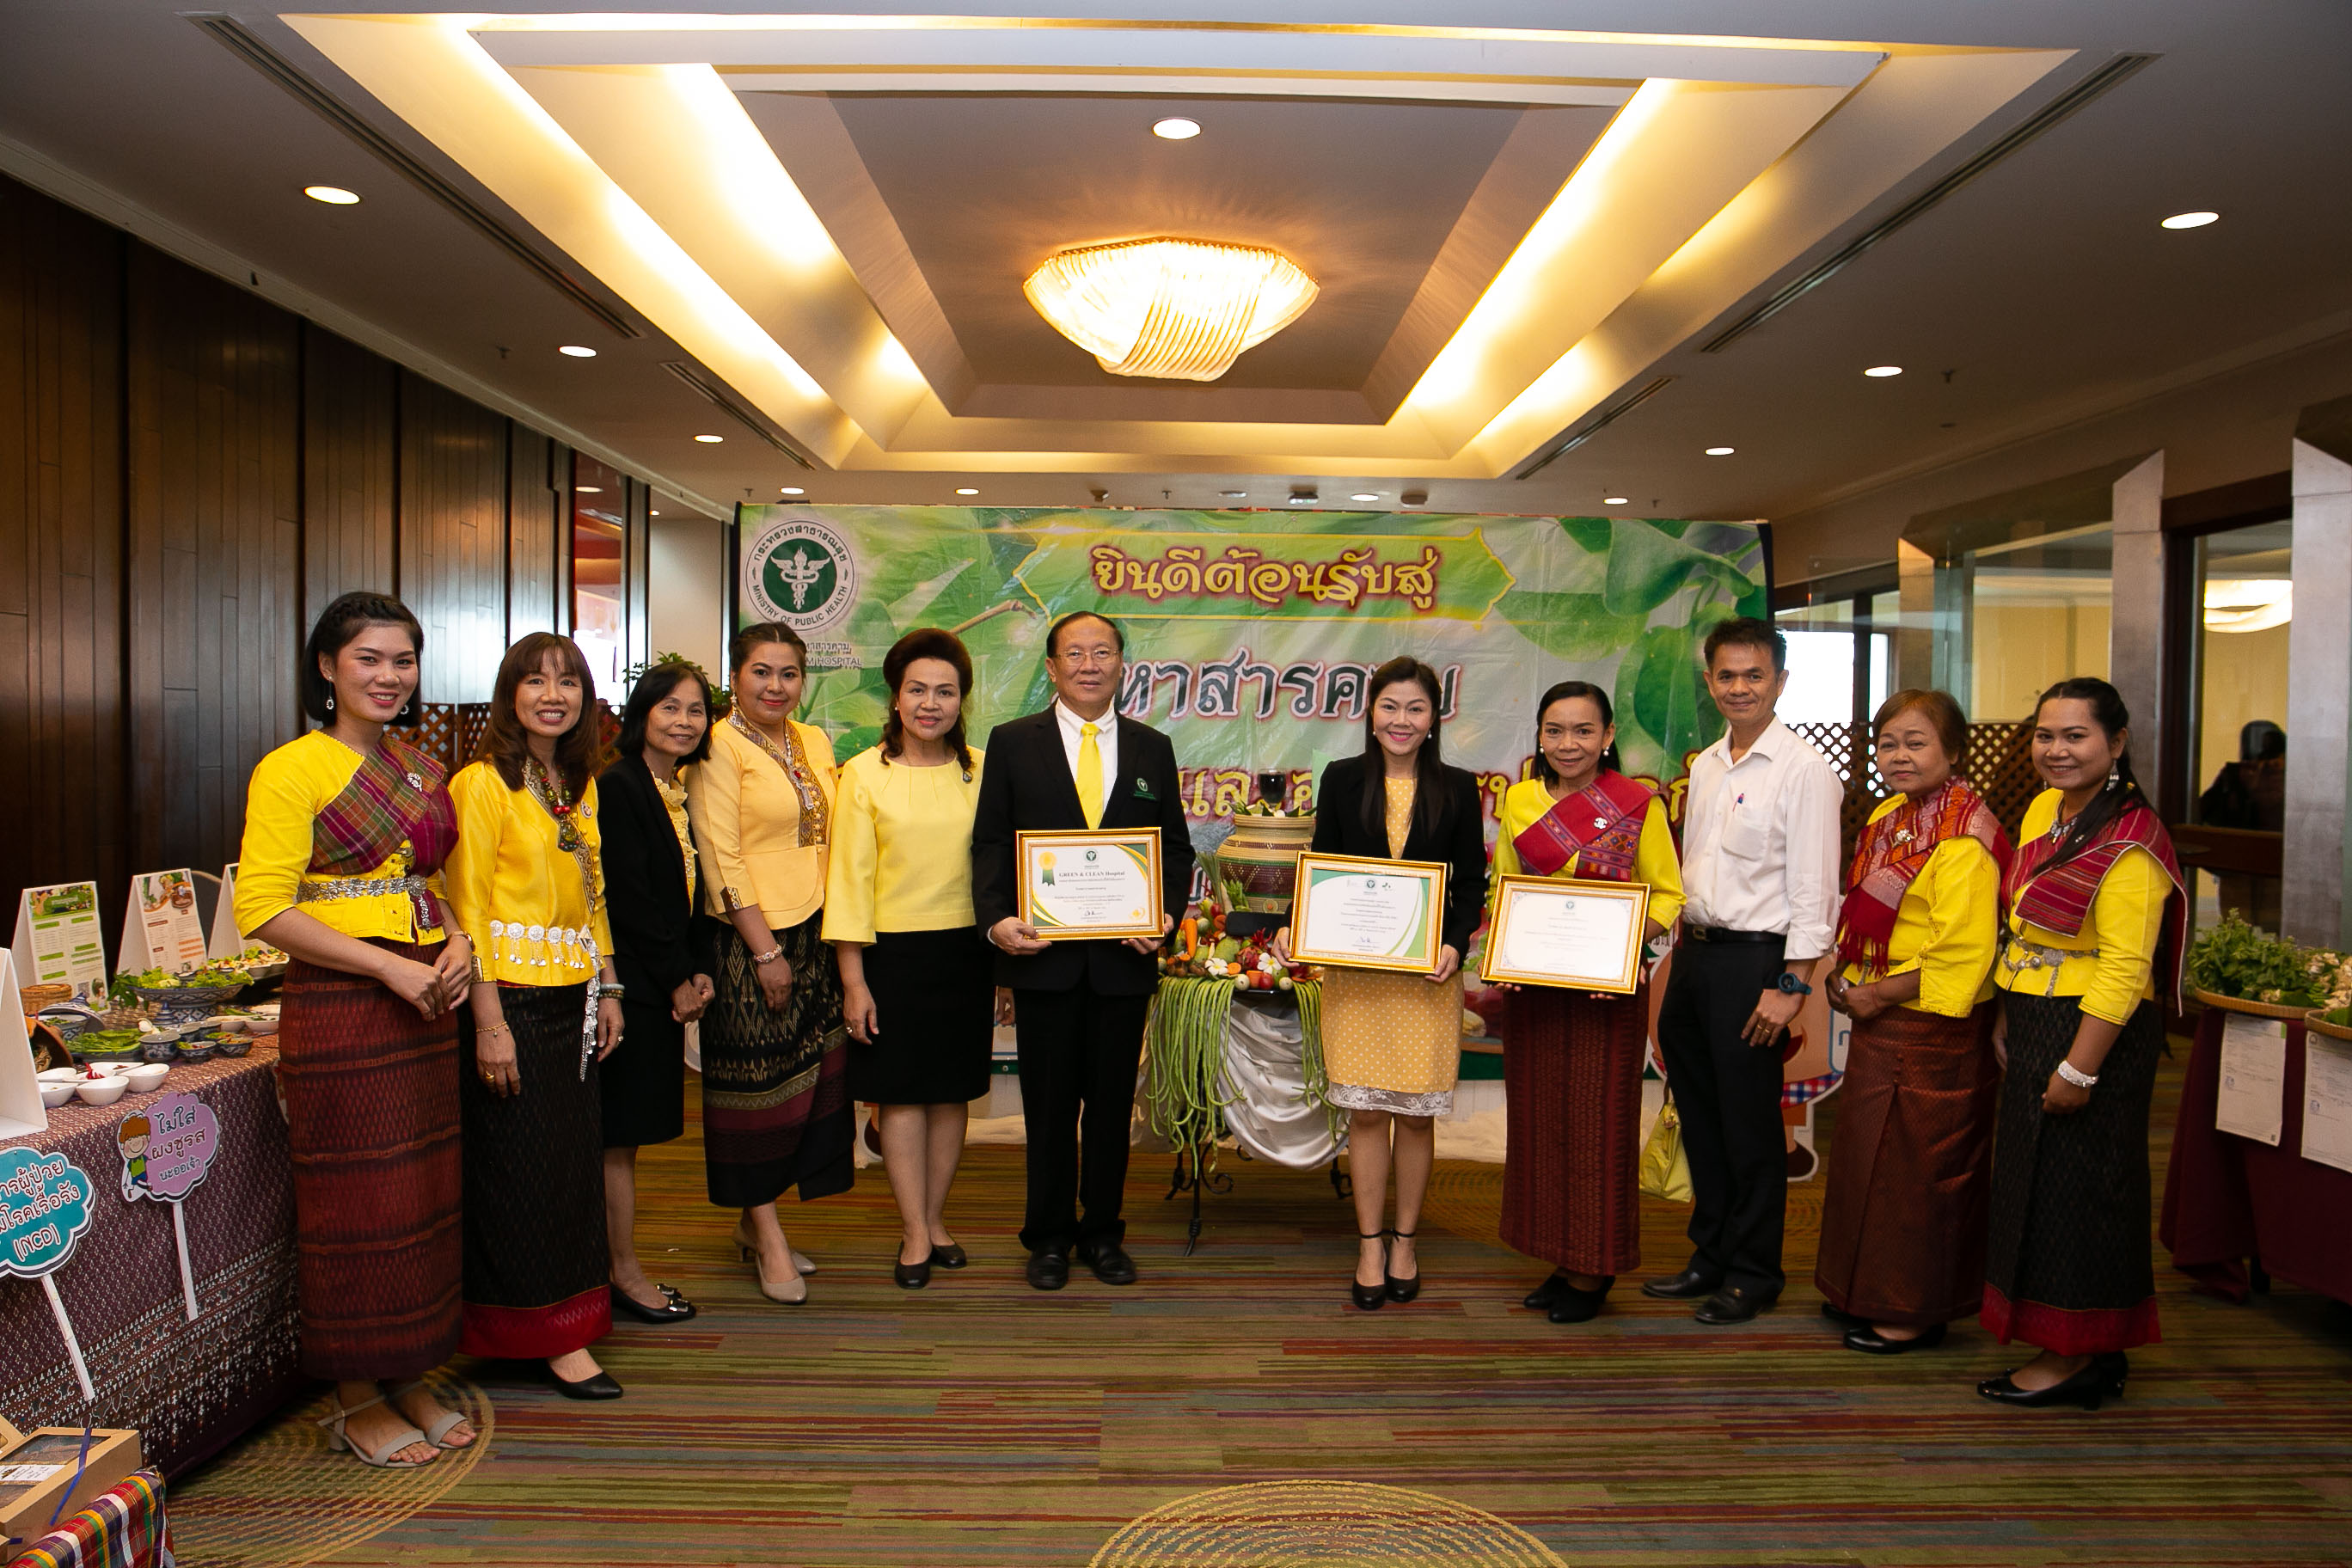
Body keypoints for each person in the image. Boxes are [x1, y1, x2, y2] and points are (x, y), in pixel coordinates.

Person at [236, 591, 476, 1467]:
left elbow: (431, 882)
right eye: (369, 658)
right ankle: (352, 1396)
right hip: (345, 1008)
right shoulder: (292, 768)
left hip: (424, 1003)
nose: (388, 676)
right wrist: (387, 965)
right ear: (329, 666)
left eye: (403, 660)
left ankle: (409, 1372)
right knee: (356, 1209)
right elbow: (260, 910)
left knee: (422, 1198)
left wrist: (456, 943)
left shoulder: (420, 766)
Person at [1978, 677, 2184, 1411]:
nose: (2056, 751)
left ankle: (2084, 1357)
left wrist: (2078, 1067)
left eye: (2075, 736)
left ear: (2116, 744)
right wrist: (2008, 1009)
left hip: (2094, 1035)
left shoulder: (2131, 842)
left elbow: (2127, 971)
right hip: (2035, 1018)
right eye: (2045, 735)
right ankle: (2058, 1340)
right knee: (2033, 1187)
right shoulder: (2046, 810)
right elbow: (2027, 928)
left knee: (2084, 1194)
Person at [971, 611, 1193, 1291]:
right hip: (1045, 962)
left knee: (1108, 1106)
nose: (1089, 664)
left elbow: (1176, 849)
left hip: (1123, 962)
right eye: (1075, 653)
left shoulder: (1153, 747)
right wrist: (996, 921)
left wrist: (1163, 915)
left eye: (1102, 652)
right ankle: (1046, 1237)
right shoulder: (1011, 743)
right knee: (1047, 1105)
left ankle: (1102, 1232)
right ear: (1051, 666)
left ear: (1123, 663)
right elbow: (989, 842)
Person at [1644, 617, 1841, 1325]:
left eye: (1754, 675)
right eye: (1726, 675)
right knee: (1698, 1116)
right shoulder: (1705, 765)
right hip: (1695, 958)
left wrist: (1791, 988)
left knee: (1751, 1128)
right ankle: (1711, 1254)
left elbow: (1817, 892)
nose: (1739, 687)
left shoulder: (1804, 770)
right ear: (1709, 683)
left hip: (1759, 964)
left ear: (1780, 682)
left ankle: (1755, 1272)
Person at [444, 632, 625, 1399]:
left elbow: (594, 894)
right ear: (509, 694)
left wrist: (609, 984)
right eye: (536, 681)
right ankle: (534, 1334)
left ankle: (572, 1322)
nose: (554, 695)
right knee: (516, 1170)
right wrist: (489, 1023)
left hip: (576, 996)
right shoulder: (482, 783)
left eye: (569, 682)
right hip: (510, 1000)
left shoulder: (575, 783)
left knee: (568, 1167)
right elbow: (467, 911)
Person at [1277, 657, 1487, 1311]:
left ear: (1434, 720)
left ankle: (1405, 1241)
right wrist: (1296, 927)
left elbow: (1472, 881)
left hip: (1427, 974)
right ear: (1371, 713)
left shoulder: (1457, 786)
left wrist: (1454, 942)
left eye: (1416, 709)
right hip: (1358, 971)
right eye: (1390, 707)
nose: (1402, 720)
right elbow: (1324, 867)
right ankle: (1369, 1244)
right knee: (1365, 1111)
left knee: (1415, 1117)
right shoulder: (1342, 780)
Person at [1818, 690, 2011, 1355]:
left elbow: (1963, 950)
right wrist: (1852, 972)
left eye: (1917, 742)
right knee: (1866, 1162)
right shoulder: (1891, 815)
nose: (1899, 756)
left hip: (1931, 1026)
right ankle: (1858, 1290)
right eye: (1888, 743)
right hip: (1881, 1013)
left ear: (1954, 752)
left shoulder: (1962, 837)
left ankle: (1915, 1309)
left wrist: (1879, 994)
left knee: (1920, 1171)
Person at [1488, 682, 1682, 1325]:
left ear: (1605, 737)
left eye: (1582, 731)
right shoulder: (1519, 801)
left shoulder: (1638, 805)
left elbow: (1668, 896)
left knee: (1598, 1127)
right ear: (1539, 737)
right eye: (1554, 731)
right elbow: (1506, 888)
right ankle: (1558, 1253)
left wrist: (1623, 951)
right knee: (1542, 1125)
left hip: (1605, 990)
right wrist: (1504, 954)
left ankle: (1593, 1269)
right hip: (1538, 993)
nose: (1567, 743)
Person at [688, 622, 852, 1305]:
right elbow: (719, 854)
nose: (775, 686)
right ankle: (767, 1235)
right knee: (752, 1091)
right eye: (761, 672)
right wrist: (763, 951)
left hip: (816, 927)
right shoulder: (716, 746)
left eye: (788, 674)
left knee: (804, 1081)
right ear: (735, 677)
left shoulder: (813, 740)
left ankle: (758, 1227)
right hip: (750, 939)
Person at [824, 629, 990, 1289]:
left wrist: (1004, 967)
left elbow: (1000, 872)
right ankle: (914, 1230)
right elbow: (848, 879)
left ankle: (937, 1216)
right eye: (917, 690)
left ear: (962, 700)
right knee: (899, 1098)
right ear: (895, 699)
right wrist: (853, 980)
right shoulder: (864, 773)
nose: (931, 704)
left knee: (953, 1095)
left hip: (967, 951)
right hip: (889, 955)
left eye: (944, 692)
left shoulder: (982, 769)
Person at [595, 661, 718, 1326]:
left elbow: (687, 892)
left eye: (695, 711)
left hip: (660, 983)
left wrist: (697, 966)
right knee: (617, 1137)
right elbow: (632, 897)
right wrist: (676, 976)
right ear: (643, 713)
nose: (683, 721)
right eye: (670, 708)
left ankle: (612, 1264)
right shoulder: (618, 786)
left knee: (628, 1137)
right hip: (630, 990)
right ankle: (623, 1273)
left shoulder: (675, 787)